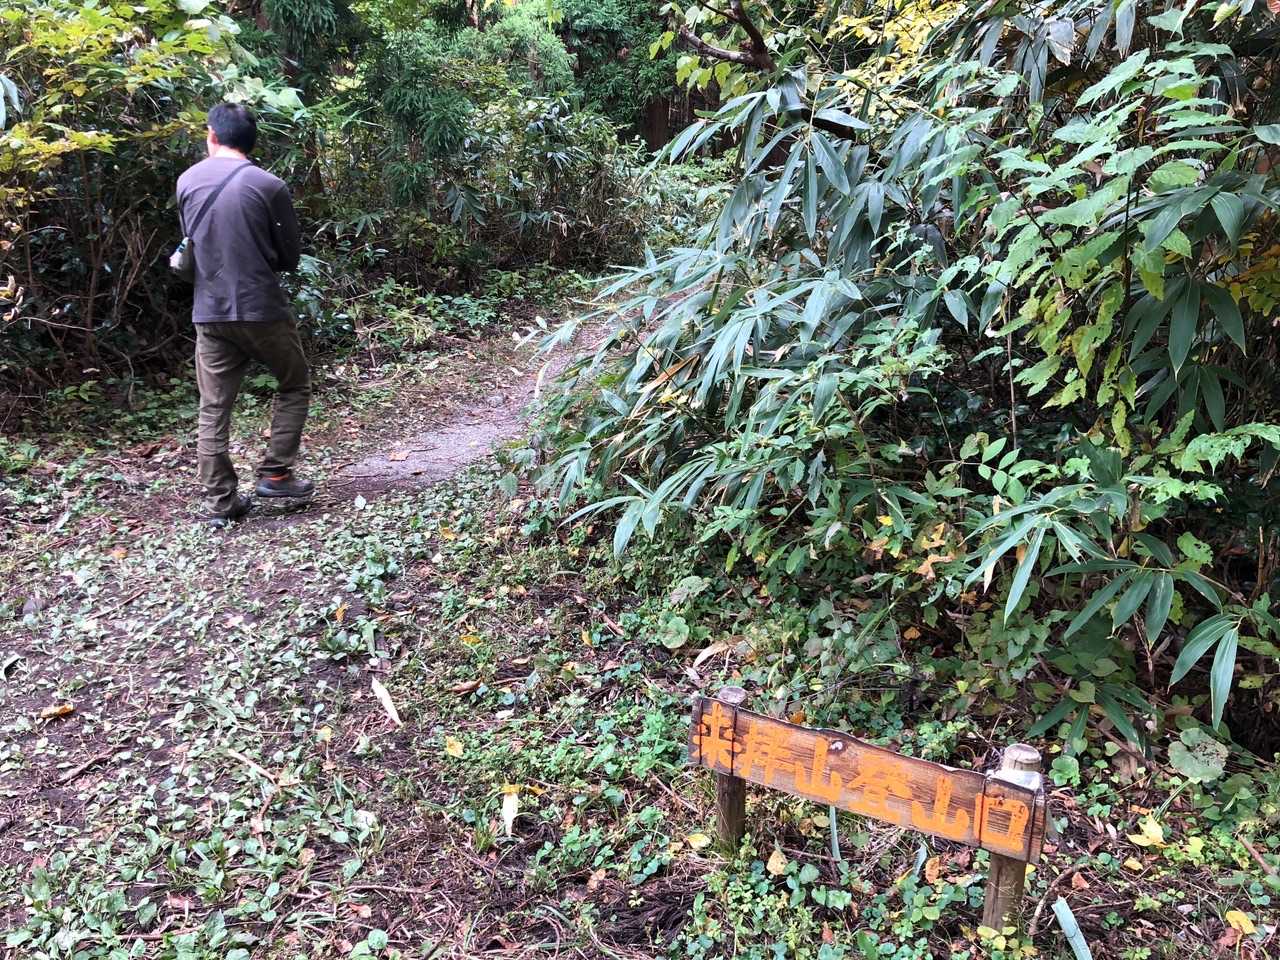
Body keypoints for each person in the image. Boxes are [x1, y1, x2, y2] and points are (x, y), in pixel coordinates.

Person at [176, 102, 313, 526]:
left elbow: (191, 242)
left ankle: (221, 502)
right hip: (261, 308)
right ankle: (275, 473)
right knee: (294, 383)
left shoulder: (187, 181)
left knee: (214, 407)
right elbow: (289, 257)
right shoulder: (269, 185)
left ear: (212, 135)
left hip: (210, 311)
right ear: (252, 142)